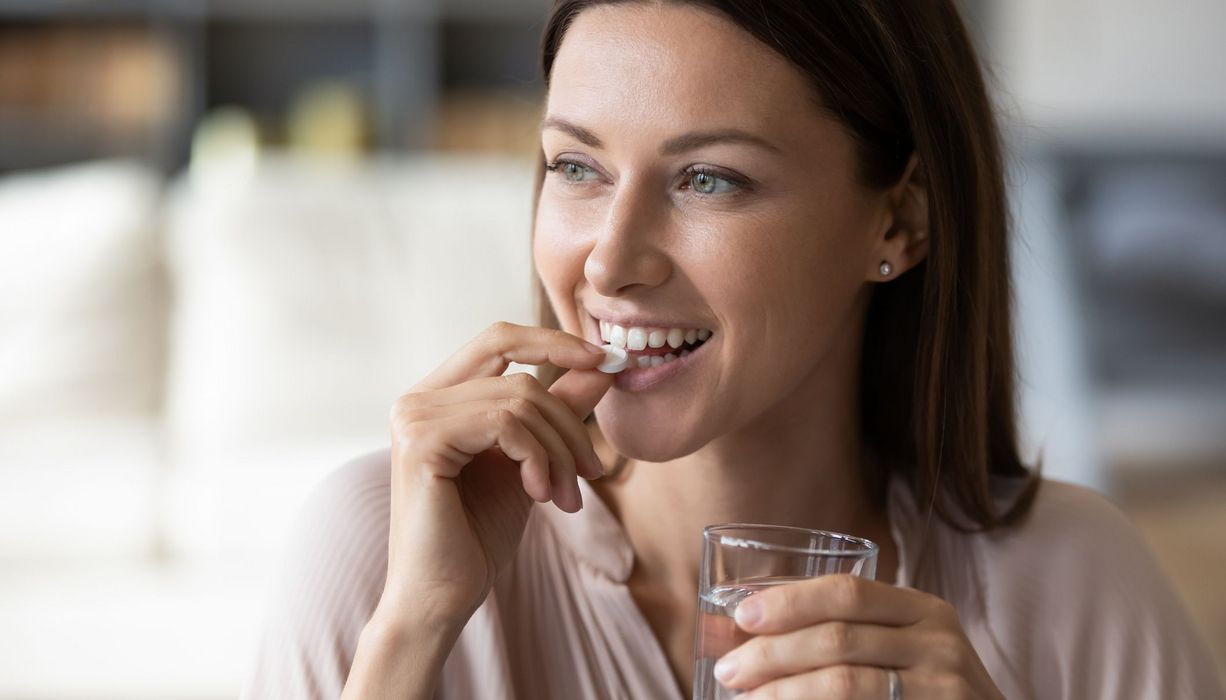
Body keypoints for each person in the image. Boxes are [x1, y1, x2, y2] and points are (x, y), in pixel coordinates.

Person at [242, 1, 1226, 698]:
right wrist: (411, 635)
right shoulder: (381, 554)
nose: (610, 262)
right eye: (575, 166)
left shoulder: (1077, 585)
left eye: (708, 179)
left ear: (898, 220)